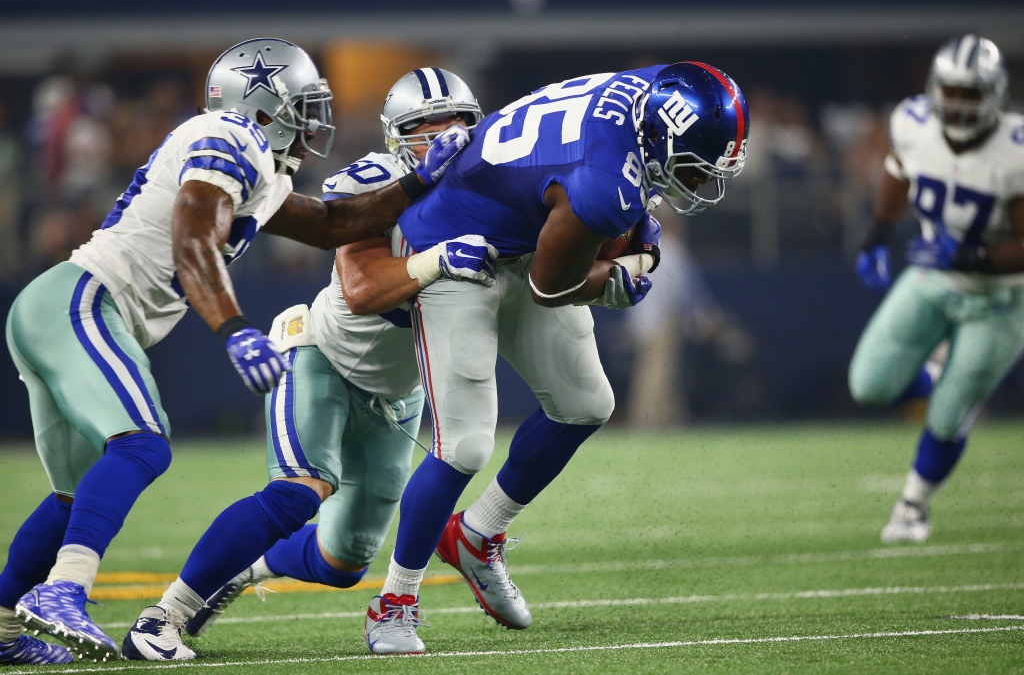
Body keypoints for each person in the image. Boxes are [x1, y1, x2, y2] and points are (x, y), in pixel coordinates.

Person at [0, 40, 468, 665]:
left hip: (66, 311)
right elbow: (192, 235)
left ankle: (4, 624)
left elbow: (333, 224)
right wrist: (235, 329)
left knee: (72, 496)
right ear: (267, 109)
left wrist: (419, 180)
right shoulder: (229, 133)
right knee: (141, 444)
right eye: (305, 107)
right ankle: (63, 591)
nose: (316, 122)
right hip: (82, 300)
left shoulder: (264, 169)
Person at [363, 62, 749, 655]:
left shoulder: (652, 88)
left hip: (522, 225)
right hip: (452, 245)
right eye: (697, 165)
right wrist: (621, 274)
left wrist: (632, 226)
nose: (702, 183)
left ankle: (477, 533)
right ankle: (394, 601)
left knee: (585, 403)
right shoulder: (604, 186)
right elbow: (551, 285)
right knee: (464, 444)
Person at [119, 68, 493, 662]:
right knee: (300, 492)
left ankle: (244, 570)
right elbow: (365, 288)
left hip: (401, 387)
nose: (445, 135)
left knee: (344, 563)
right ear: (398, 135)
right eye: (426, 125)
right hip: (323, 354)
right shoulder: (374, 180)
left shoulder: (498, 192)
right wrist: (439, 257)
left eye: (458, 122)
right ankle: (162, 617)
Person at [850, 35, 1024, 543]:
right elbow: (897, 171)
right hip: (933, 278)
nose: (958, 103)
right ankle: (934, 375)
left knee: (948, 418)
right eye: (951, 91)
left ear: (995, 95)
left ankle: (913, 506)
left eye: (971, 93)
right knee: (869, 385)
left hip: (1001, 298)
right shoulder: (912, 122)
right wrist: (877, 234)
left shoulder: (1014, 150)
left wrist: (971, 256)